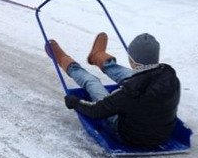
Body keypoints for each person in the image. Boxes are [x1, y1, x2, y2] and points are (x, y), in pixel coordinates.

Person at [46, 32, 180, 148]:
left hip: (129, 136)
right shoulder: (171, 78)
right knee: (132, 75)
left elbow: (96, 111)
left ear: (132, 61)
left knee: (93, 83)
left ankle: (65, 61)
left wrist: (75, 102)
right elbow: (141, 80)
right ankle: (97, 56)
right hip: (162, 134)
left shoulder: (129, 93)